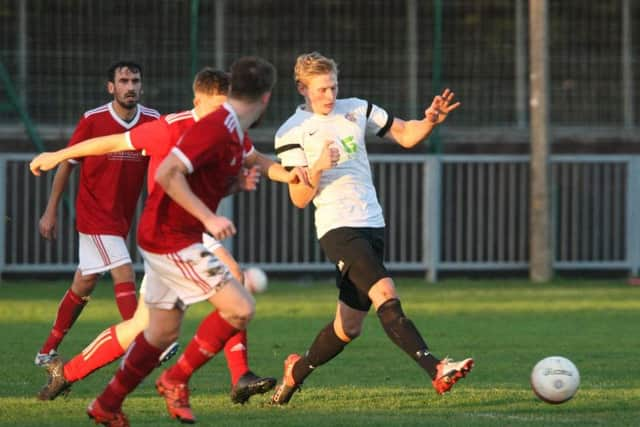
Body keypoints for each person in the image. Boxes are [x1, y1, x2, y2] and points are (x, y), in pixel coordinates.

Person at [31, 68, 276, 406]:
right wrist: (57, 155)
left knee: (143, 327)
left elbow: (256, 160)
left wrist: (292, 175)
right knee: (233, 285)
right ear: (198, 101)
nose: (223, 113)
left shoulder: (228, 128)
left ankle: (69, 373)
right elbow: (113, 143)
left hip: (189, 234)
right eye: (216, 106)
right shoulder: (171, 127)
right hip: (173, 234)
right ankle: (232, 376)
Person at [86, 56, 303, 427]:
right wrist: (209, 217)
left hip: (168, 234)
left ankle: (107, 404)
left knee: (160, 332)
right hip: (171, 237)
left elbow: (201, 176)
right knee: (240, 308)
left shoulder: (234, 130)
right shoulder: (218, 127)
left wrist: (236, 184)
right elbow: (170, 174)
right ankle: (175, 379)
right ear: (267, 97)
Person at [271, 51, 473, 405]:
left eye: (333, 87)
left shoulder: (356, 108)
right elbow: (299, 198)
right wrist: (317, 167)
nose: (330, 96)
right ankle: (436, 368)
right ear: (302, 88)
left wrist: (430, 120)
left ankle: (295, 372)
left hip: (372, 223)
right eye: (321, 90)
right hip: (337, 227)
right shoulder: (292, 131)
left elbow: (407, 135)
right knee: (385, 293)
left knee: (348, 328)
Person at [34, 61, 160, 367]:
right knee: (125, 271)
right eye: (124, 81)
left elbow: (162, 165)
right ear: (111, 87)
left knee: (84, 283)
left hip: (121, 219)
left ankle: (47, 350)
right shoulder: (93, 120)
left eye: (135, 81)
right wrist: (50, 210)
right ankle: (138, 346)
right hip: (94, 215)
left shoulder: (153, 121)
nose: (130, 87)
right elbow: (67, 162)